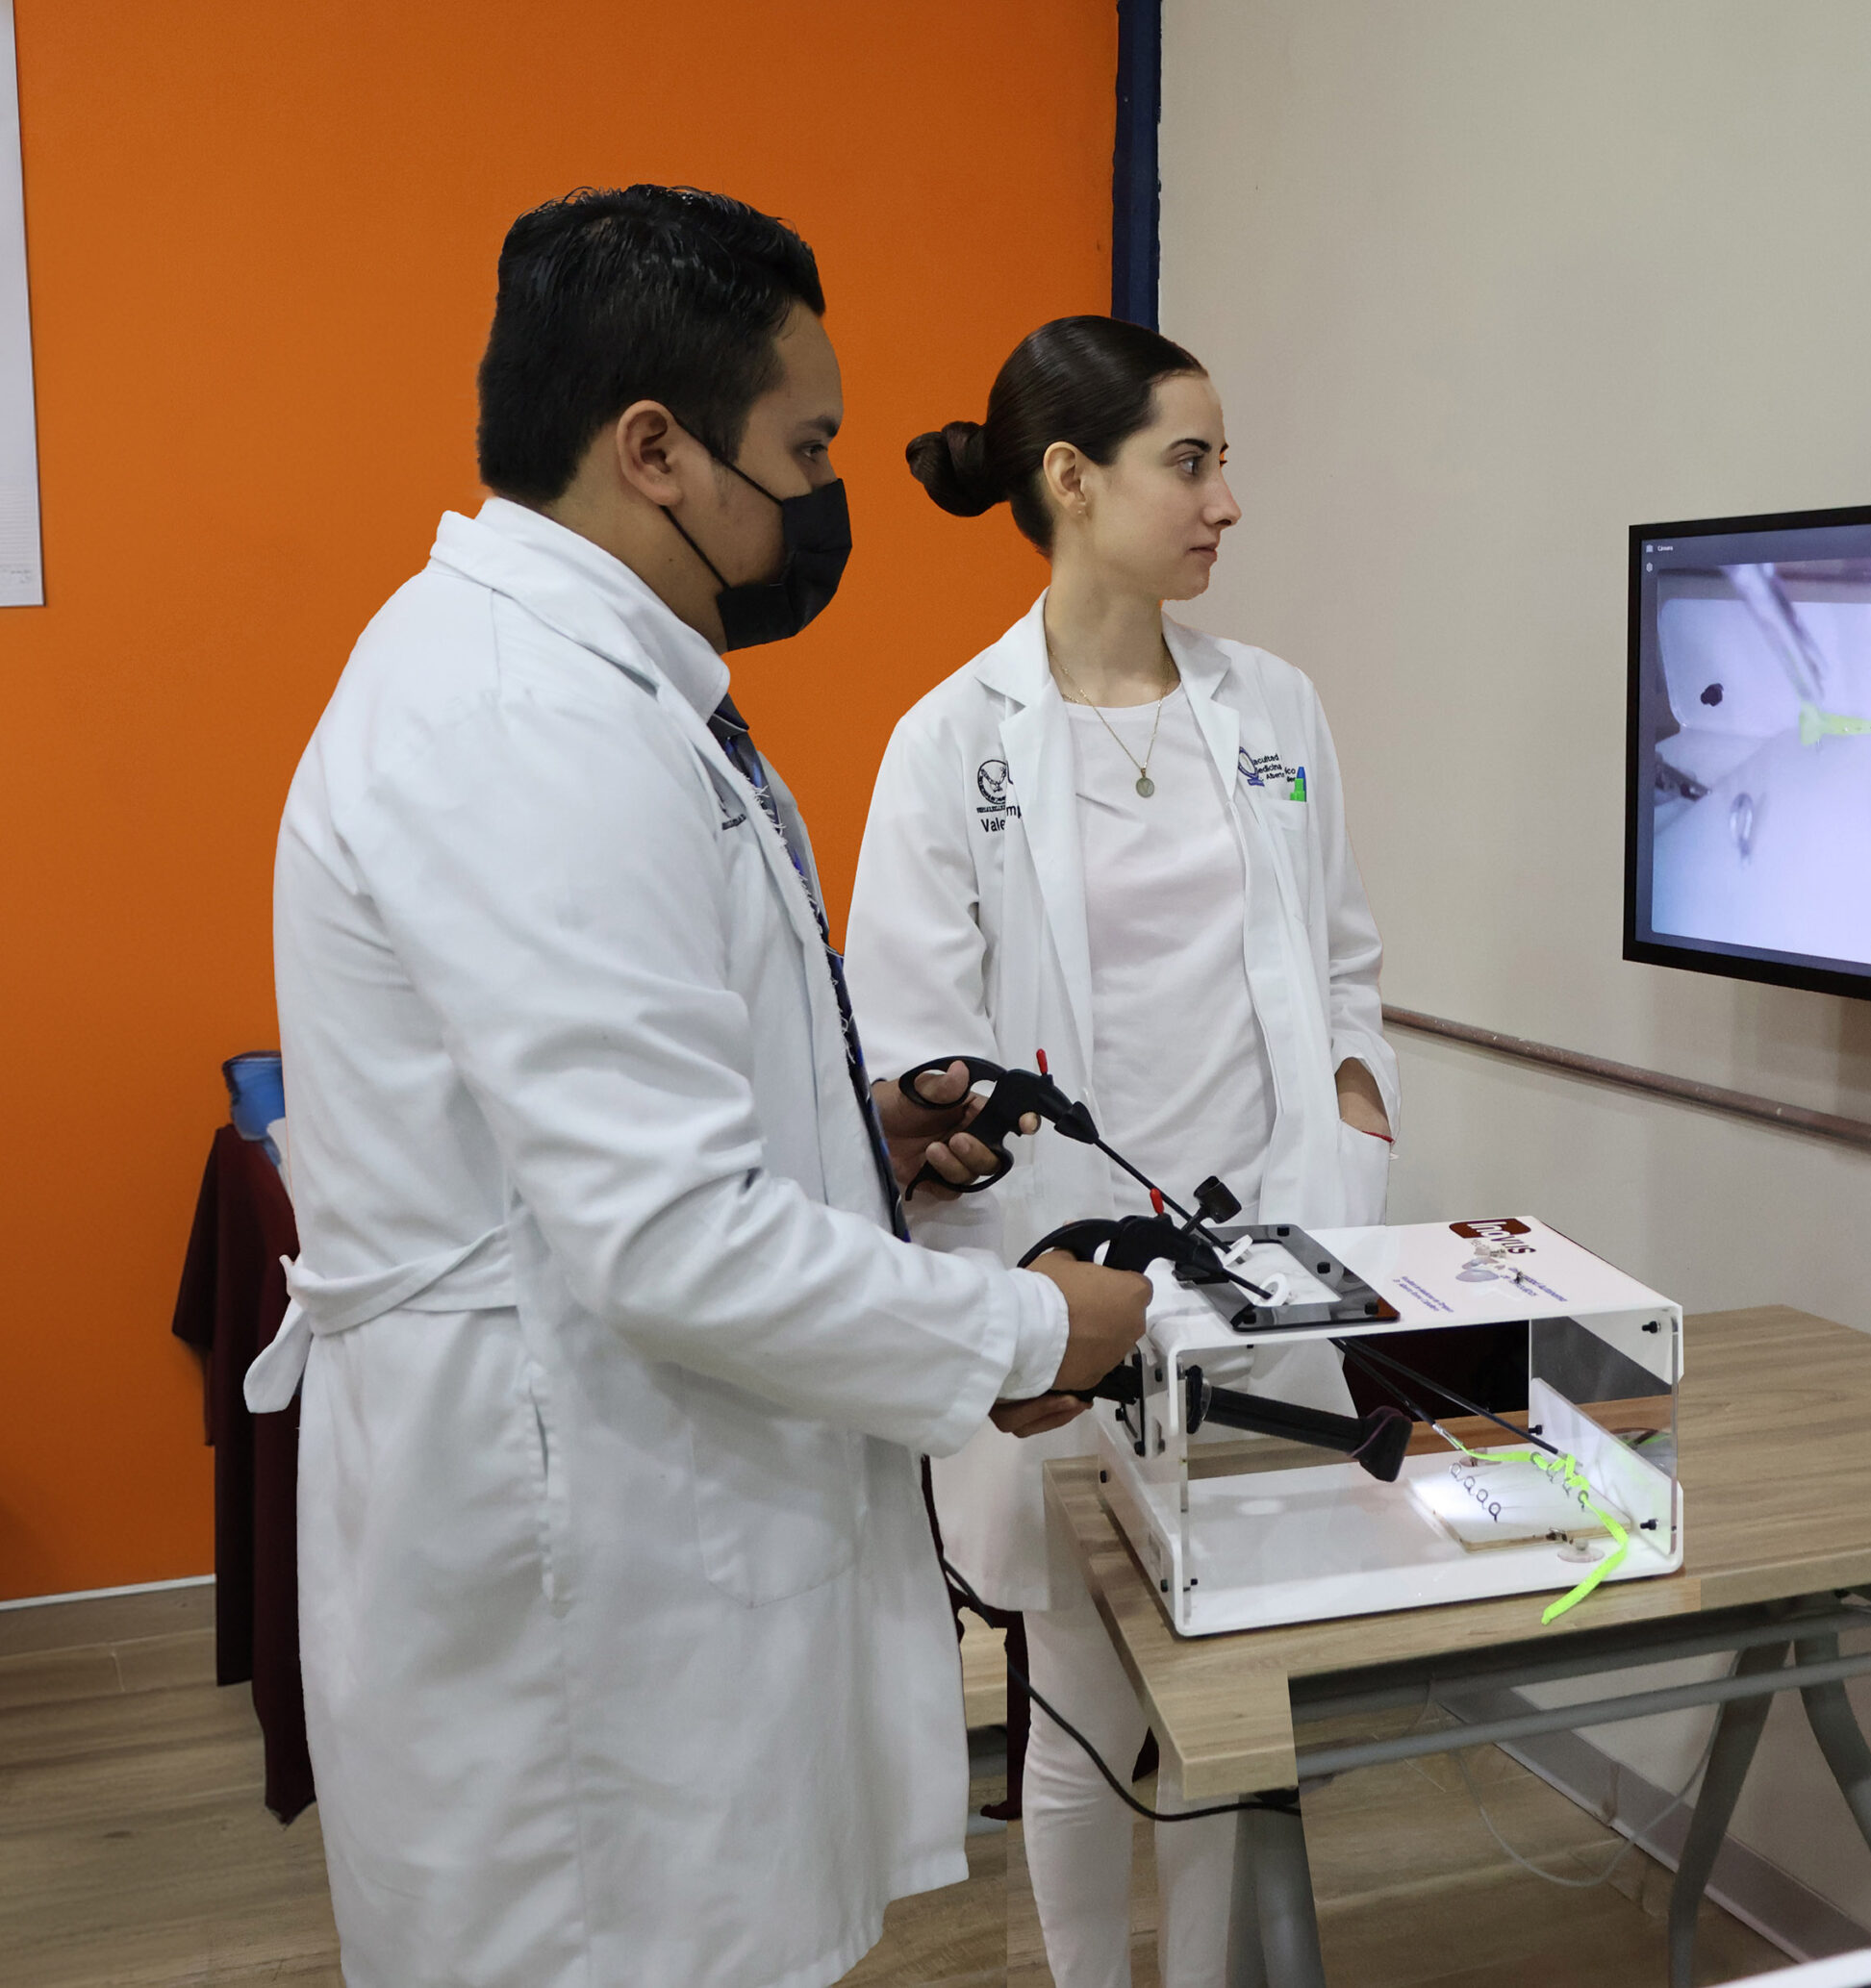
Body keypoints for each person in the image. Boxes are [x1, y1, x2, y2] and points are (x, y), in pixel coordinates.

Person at [244, 189, 1151, 1988]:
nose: (825, 496)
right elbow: (662, 1235)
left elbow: (608, 1106)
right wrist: (1029, 1332)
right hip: (566, 1539)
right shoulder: (522, 720)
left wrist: (848, 1131)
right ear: (653, 449)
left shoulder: (601, 688)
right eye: (803, 450)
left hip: (629, 1481)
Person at [845, 315, 1398, 1988]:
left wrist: (1354, 1127)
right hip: (1067, 1284)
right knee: (1085, 1701)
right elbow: (911, 1042)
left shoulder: (1274, 706)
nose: (1227, 500)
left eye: (1225, 463)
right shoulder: (953, 740)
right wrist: (1013, 1274)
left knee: (1232, 1695)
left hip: (1269, 1271)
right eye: (1192, 462)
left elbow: (1344, 959)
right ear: (1073, 480)